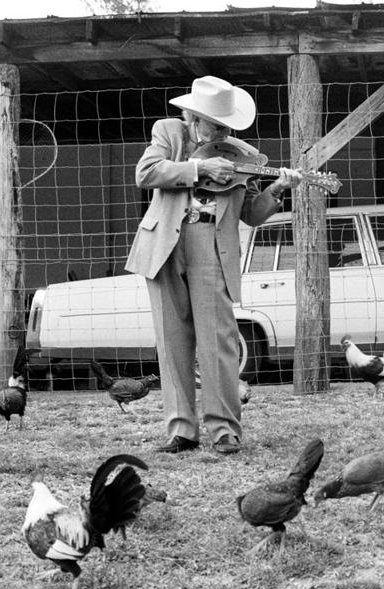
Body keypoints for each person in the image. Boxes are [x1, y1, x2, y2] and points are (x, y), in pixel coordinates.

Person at [126, 75, 303, 454]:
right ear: (194, 116)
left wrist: (277, 190)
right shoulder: (168, 132)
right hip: (164, 245)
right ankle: (181, 431)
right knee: (172, 340)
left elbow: (252, 215)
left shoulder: (245, 153)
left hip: (212, 245)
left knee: (219, 340)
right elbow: (146, 174)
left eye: (228, 126)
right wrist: (199, 170)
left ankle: (224, 430)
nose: (224, 132)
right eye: (217, 125)